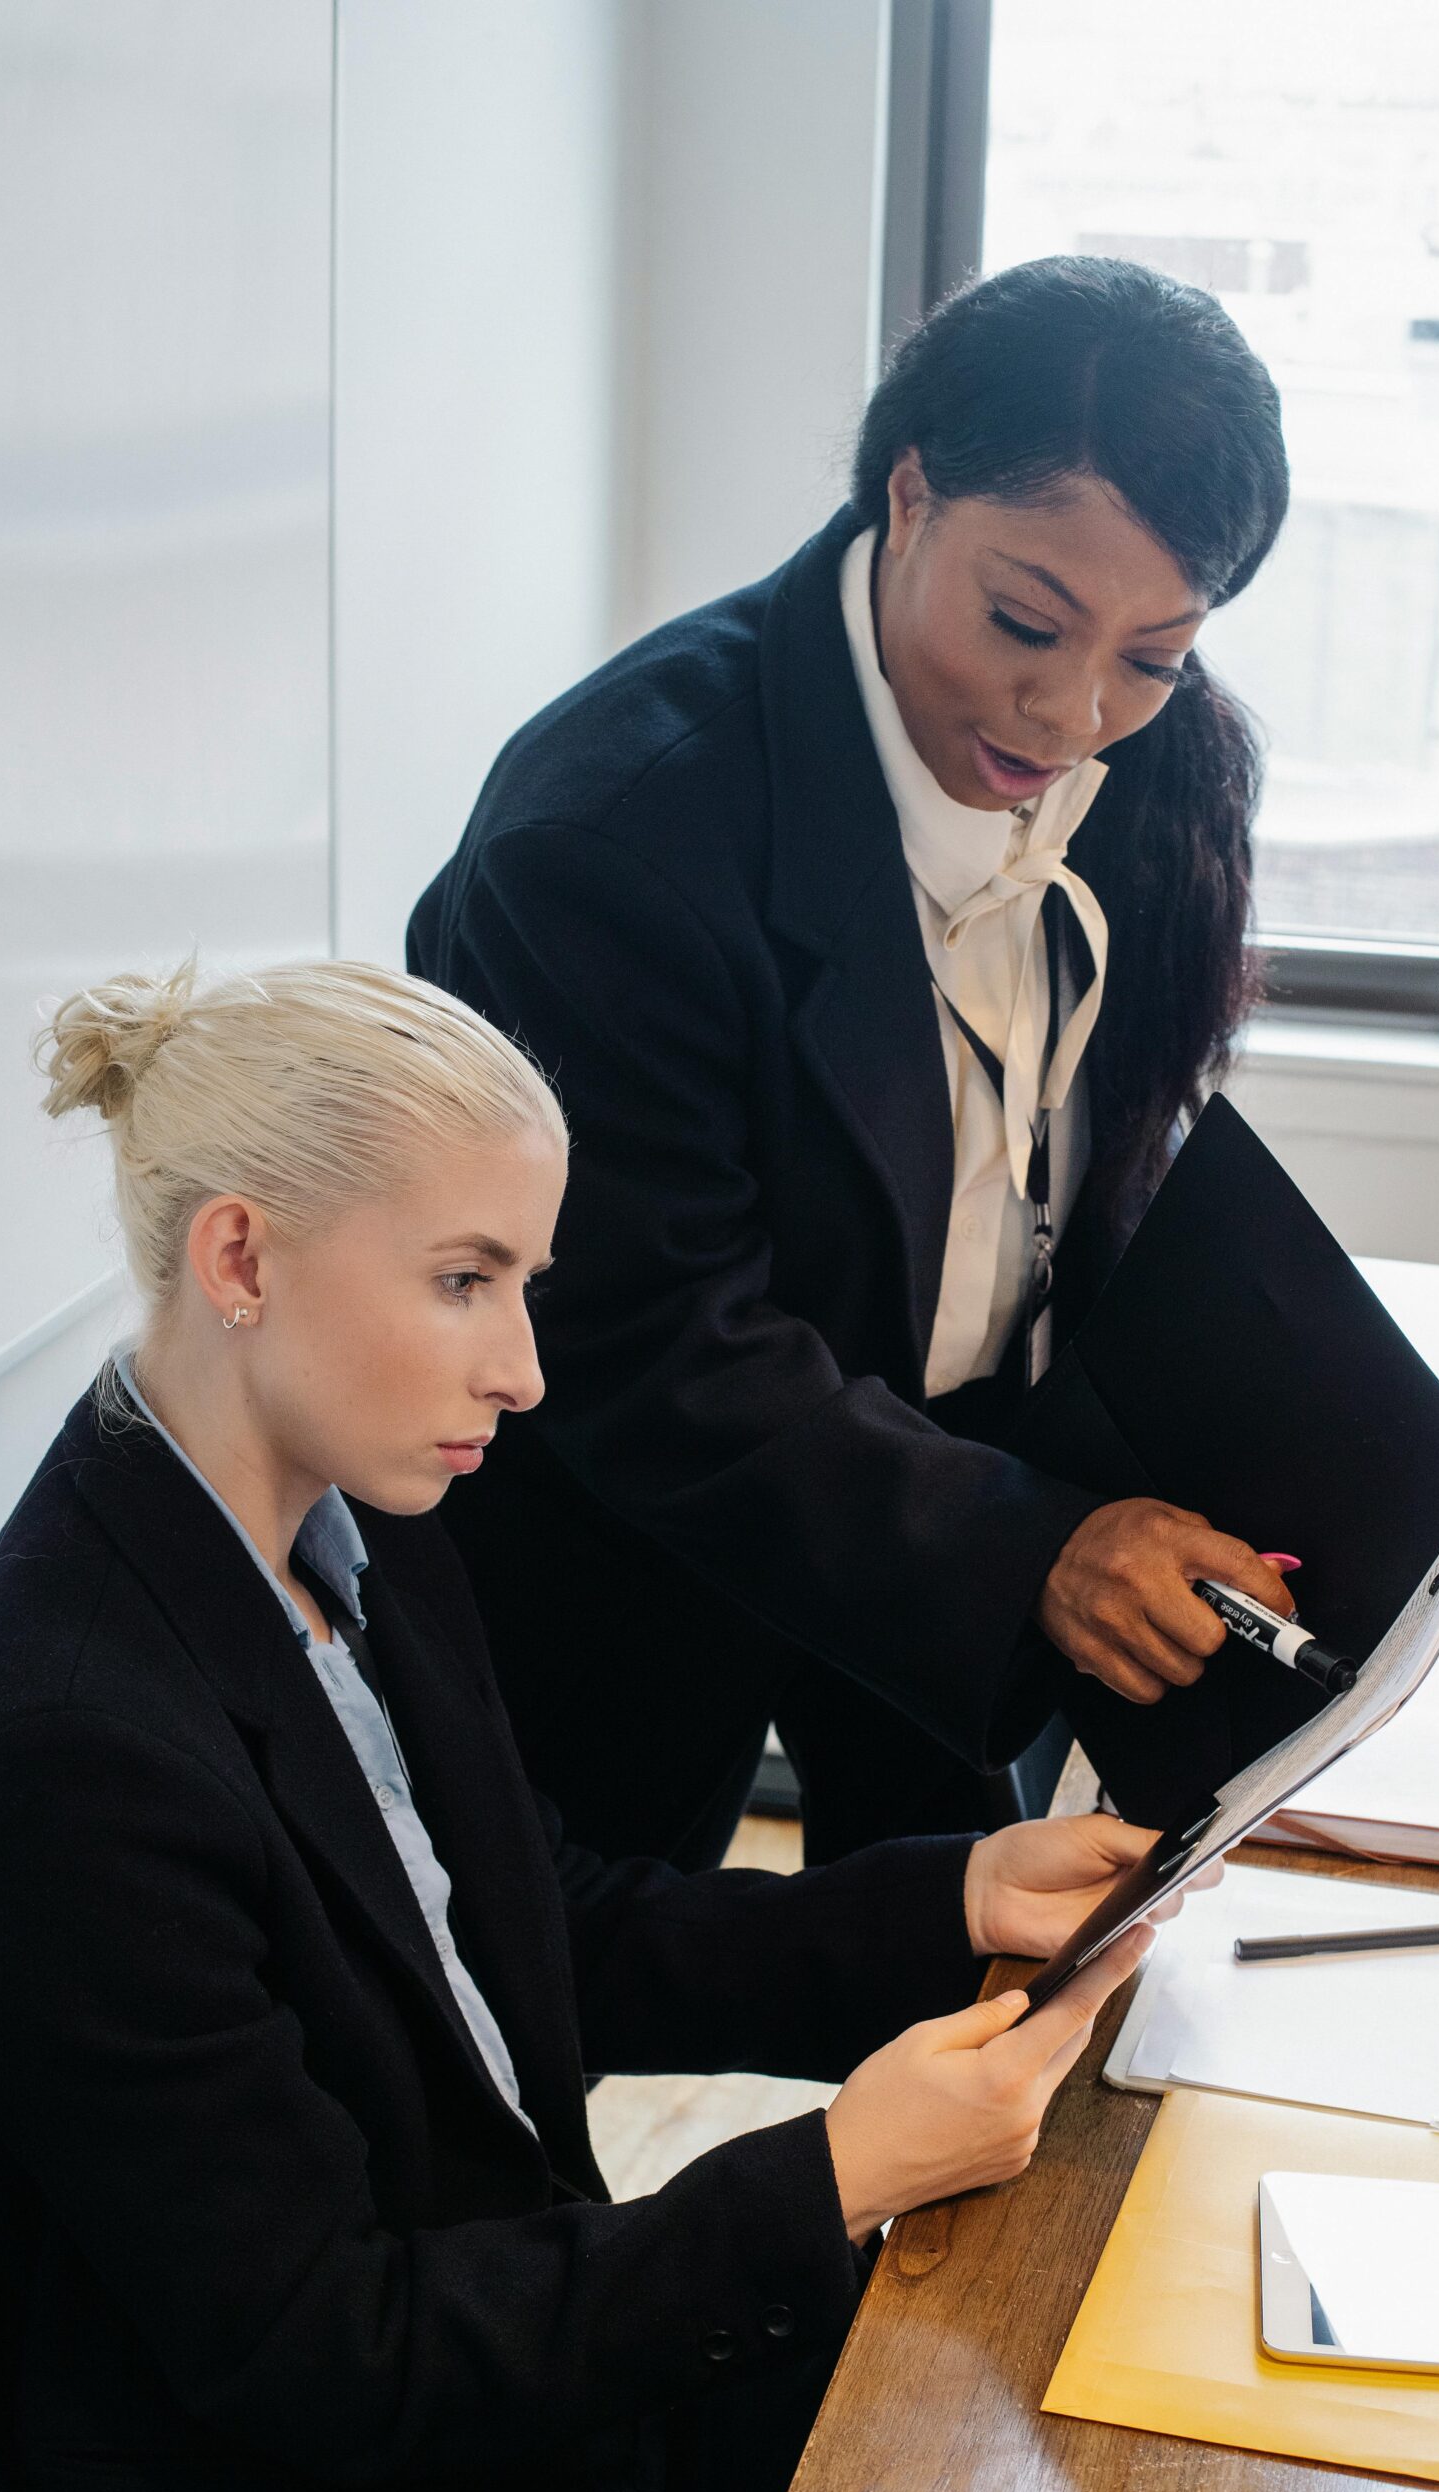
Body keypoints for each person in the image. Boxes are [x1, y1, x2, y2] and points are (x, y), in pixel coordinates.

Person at [0, 958, 1190, 2492]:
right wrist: (828, 2177)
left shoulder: (358, 1521)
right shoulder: (67, 1762)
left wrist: (959, 1898)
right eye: (463, 1281)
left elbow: (531, 1926)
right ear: (239, 1255)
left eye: (526, 1286)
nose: (524, 1368)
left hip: (524, 2366)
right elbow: (329, 2353)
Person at [408, 255, 1297, 1871]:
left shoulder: (1149, 759)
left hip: (960, 1488)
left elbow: (1101, 1166)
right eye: (1025, 620)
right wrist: (1032, 1548)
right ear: (907, 494)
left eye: (1155, 655)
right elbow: (651, 1340)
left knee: (972, 1965)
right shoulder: (611, 836)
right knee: (582, 1995)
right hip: (647, 1529)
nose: (1073, 712)